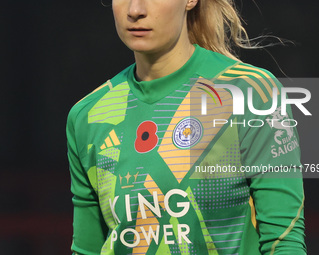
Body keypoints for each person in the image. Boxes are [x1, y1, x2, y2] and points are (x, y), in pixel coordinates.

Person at [66, 0, 306, 254]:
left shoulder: (250, 93)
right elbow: (86, 249)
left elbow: (284, 242)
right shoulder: (88, 115)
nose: (135, 10)